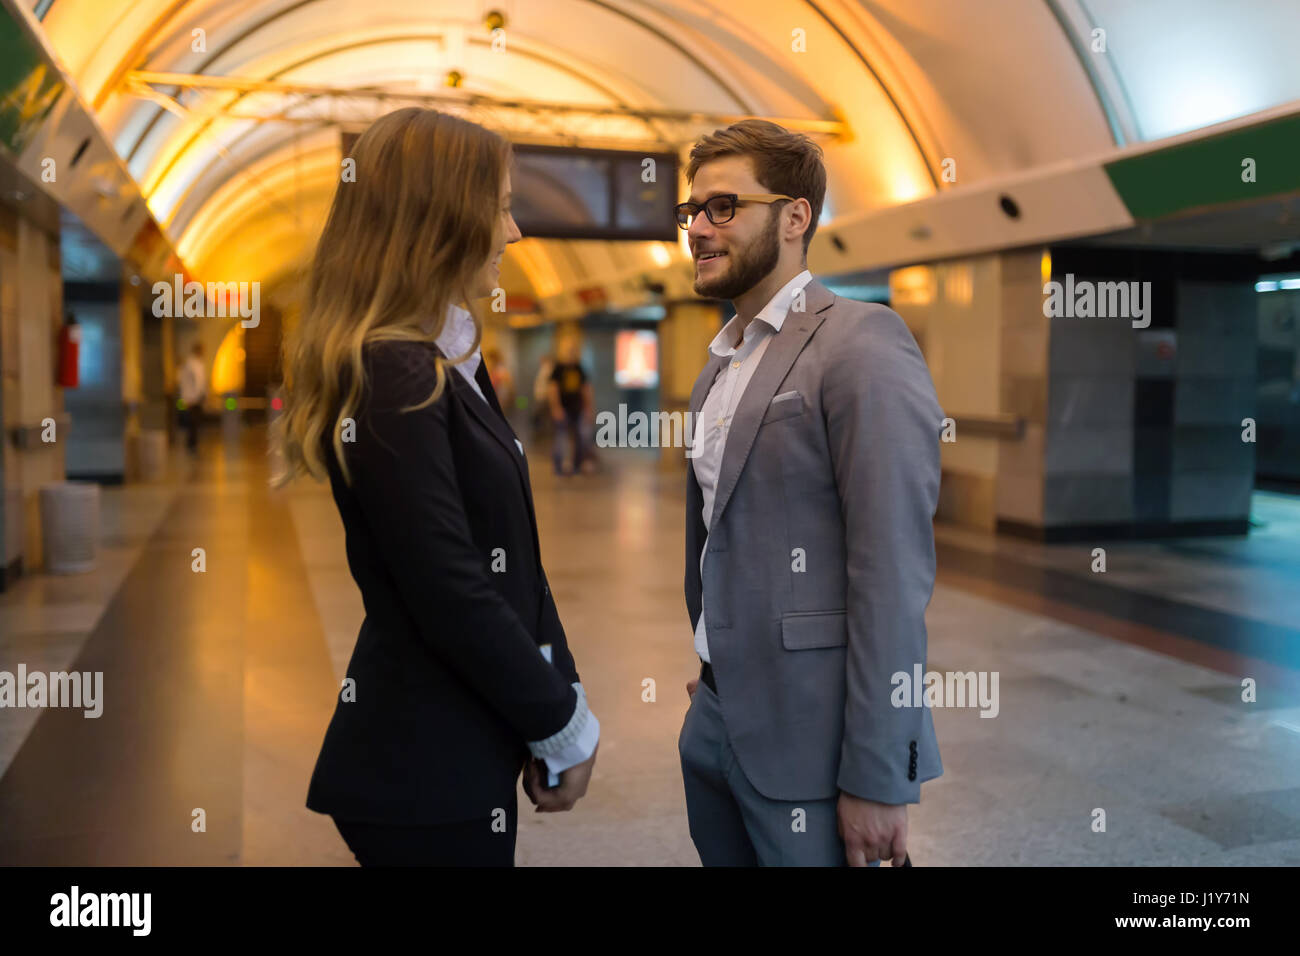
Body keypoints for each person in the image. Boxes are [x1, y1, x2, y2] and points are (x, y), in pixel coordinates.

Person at [275, 107, 599, 866]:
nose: (514, 233)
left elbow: (513, 560)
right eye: (502, 207)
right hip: (422, 760)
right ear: (440, 217)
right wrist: (560, 723)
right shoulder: (394, 371)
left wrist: (564, 694)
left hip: (465, 735)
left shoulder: (445, 359)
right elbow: (447, 583)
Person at [676, 119, 943, 867]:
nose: (698, 227)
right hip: (716, 718)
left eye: (723, 206)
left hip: (815, 745)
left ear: (795, 217)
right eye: (692, 211)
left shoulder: (861, 343)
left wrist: (881, 775)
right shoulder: (717, 369)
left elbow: (891, 575)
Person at [547, 339, 595, 475]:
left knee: (581, 438)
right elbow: (552, 389)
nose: (571, 353)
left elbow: (586, 389)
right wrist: (556, 408)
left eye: (573, 350)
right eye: (569, 350)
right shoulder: (558, 369)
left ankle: (577, 465)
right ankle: (558, 467)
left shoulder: (579, 368)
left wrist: (588, 408)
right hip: (563, 409)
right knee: (560, 438)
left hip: (577, 409)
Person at [177, 342, 206, 455]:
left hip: (194, 397)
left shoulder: (195, 364)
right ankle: (191, 444)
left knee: (194, 422)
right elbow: (196, 382)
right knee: (192, 422)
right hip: (193, 398)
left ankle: (193, 444)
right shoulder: (192, 364)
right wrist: (197, 395)